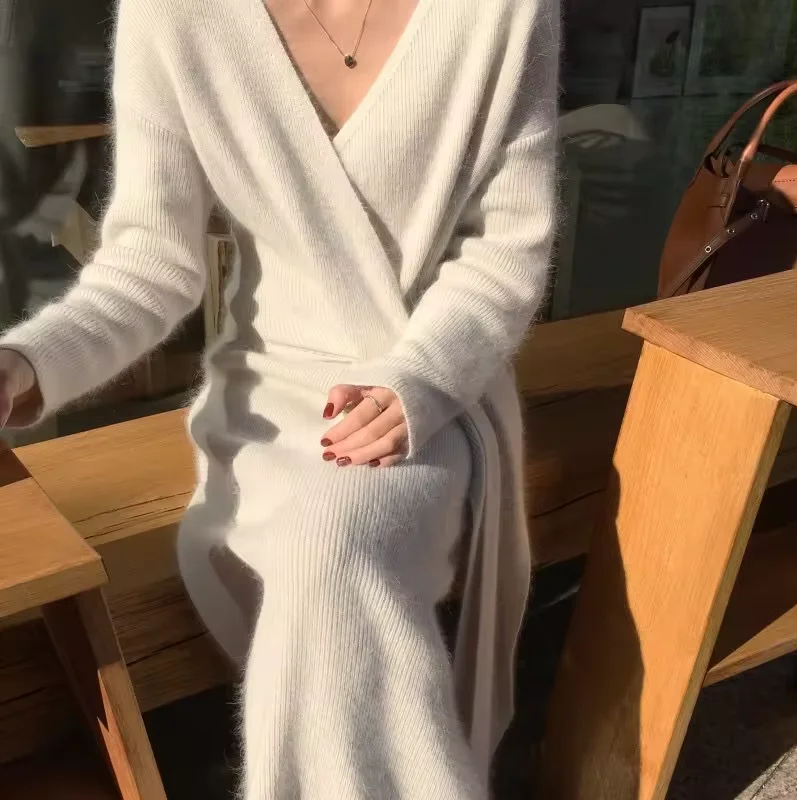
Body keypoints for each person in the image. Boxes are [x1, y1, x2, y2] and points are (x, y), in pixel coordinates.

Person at [0, 0, 559, 796]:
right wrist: (25, 361)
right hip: (272, 388)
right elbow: (150, 263)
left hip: (437, 380)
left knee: (330, 542)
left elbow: (506, 250)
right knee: (324, 553)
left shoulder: (502, 12)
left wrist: (423, 378)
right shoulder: (174, 16)